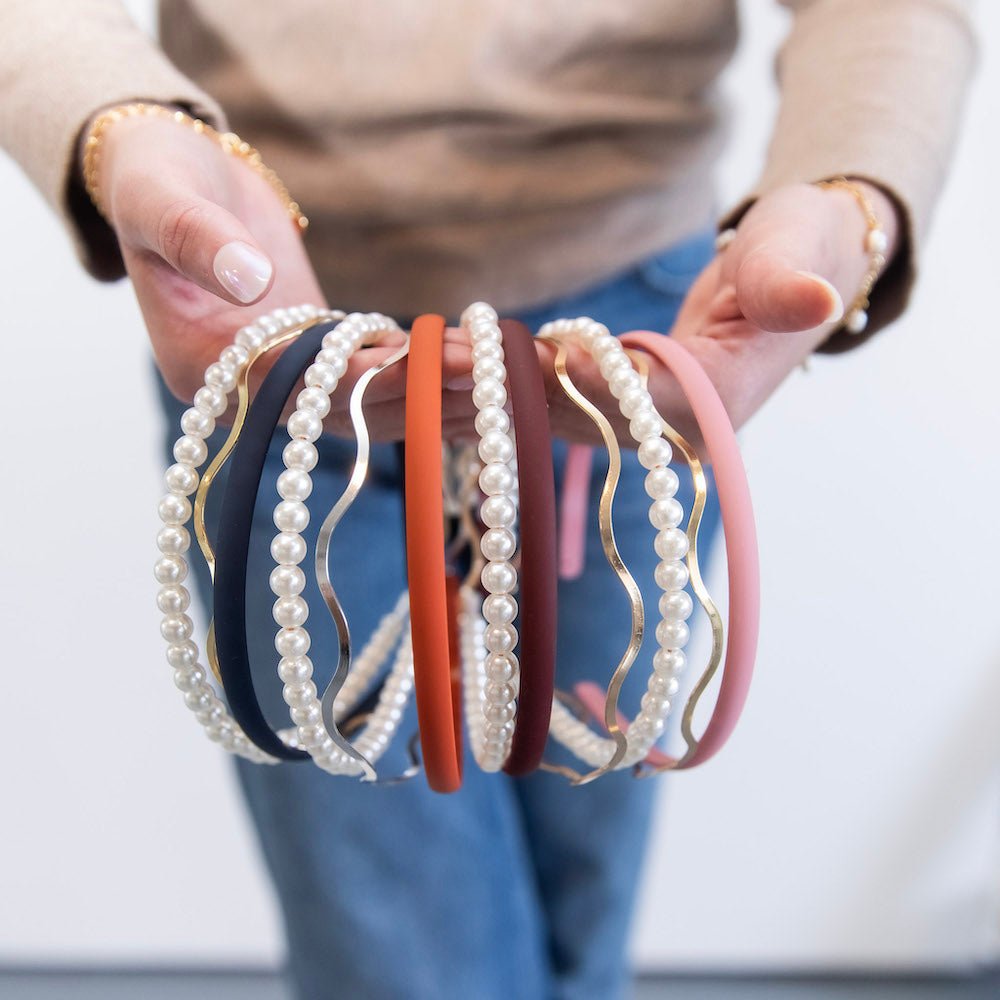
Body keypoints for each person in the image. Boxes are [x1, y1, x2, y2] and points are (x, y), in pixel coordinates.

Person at [0, 1, 975, 997]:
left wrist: (850, 199)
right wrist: (120, 124)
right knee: (398, 940)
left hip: (636, 348)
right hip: (277, 337)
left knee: (581, 896)